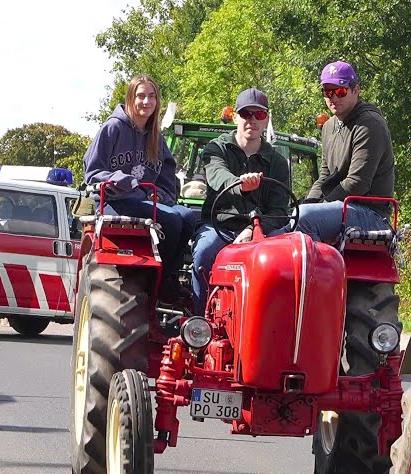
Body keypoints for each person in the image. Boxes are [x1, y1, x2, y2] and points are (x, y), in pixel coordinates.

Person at [83, 75, 198, 295]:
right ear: (130, 98)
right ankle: (158, 284)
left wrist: (160, 195)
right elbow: (93, 173)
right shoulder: (113, 128)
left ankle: (168, 277)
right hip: (114, 201)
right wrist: (124, 181)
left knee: (187, 217)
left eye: (152, 96)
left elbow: (167, 181)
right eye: (141, 96)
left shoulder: (157, 138)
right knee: (172, 221)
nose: (146, 102)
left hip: (144, 201)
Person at [190, 88, 294, 315]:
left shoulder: (277, 162)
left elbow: (279, 211)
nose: (252, 120)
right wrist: (240, 184)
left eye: (259, 114)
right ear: (235, 117)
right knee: (204, 253)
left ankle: (274, 322)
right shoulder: (216, 149)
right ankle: (200, 324)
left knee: (289, 263)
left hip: (262, 232)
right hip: (220, 227)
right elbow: (217, 176)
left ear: (266, 119)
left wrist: (253, 229)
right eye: (246, 114)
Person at [295, 61, 395, 243]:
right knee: (288, 222)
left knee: (305, 218)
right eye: (328, 92)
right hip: (342, 208)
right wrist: (308, 203)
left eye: (340, 91)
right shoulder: (328, 127)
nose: (333, 97)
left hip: (372, 214)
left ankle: (319, 262)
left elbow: (357, 183)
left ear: (355, 90)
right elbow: (324, 177)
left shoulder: (369, 124)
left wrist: (320, 206)